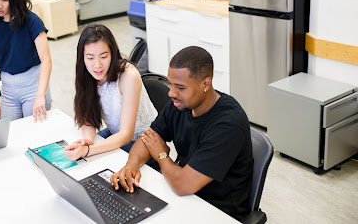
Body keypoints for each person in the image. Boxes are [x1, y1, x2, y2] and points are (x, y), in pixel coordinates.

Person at [110, 46, 253, 221]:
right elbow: (148, 139)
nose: (171, 92)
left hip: (217, 210)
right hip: (184, 196)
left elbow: (183, 184)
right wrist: (131, 166)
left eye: (180, 87)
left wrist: (161, 155)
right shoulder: (180, 104)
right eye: (170, 84)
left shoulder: (228, 124)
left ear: (205, 84)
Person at [64, 24, 157, 162]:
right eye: (90, 58)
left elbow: (126, 135)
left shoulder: (128, 76)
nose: (97, 65)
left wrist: (89, 150)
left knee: (95, 162)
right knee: (80, 158)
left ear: (112, 54)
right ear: (82, 58)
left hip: (146, 142)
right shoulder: (87, 75)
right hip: (117, 134)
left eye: (103, 56)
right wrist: (88, 141)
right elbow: (87, 116)